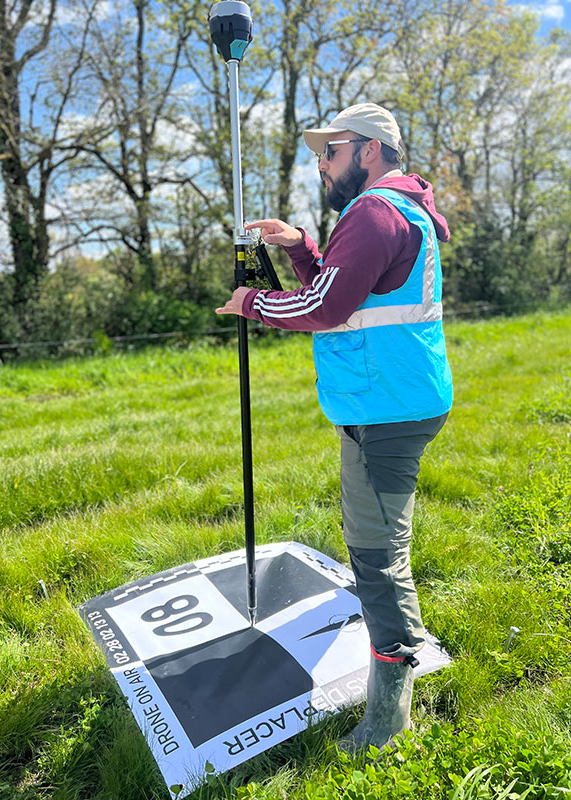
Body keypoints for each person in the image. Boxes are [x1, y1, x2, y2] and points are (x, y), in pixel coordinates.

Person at [215, 103, 453, 754]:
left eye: (330, 152)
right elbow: (343, 292)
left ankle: (388, 718)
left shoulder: (376, 213)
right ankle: (394, 666)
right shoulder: (396, 208)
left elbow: (326, 307)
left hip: (388, 410)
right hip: (391, 400)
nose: (321, 165)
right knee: (372, 539)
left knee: (377, 562)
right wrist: (301, 247)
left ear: (368, 150)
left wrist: (253, 304)